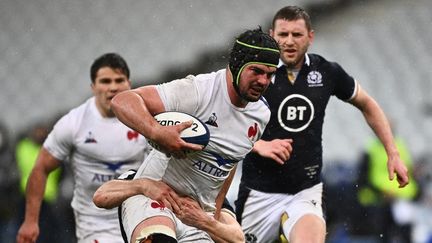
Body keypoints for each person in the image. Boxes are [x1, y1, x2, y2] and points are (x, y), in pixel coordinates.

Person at [235, 6, 410, 243]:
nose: (289, 41)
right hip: (258, 193)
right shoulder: (256, 74)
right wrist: (257, 145)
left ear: (310, 37)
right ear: (271, 35)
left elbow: (368, 104)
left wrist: (393, 152)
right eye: (282, 34)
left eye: (296, 34)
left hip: (305, 192)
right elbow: (225, 120)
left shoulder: (326, 72)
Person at [105, 27, 281, 242]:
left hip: (196, 213)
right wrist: (157, 132)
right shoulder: (198, 91)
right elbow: (122, 101)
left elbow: (230, 160)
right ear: (236, 65)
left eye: (270, 75)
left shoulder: (260, 114)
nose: (264, 81)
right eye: (256, 71)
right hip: (156, 196)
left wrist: (213, 213)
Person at [16, 53, 150, 243]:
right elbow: (41, 168)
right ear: (93, 87)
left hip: (138, 217)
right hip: (95, 225)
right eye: (105, 81)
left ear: (128, 83)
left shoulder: (147, 119)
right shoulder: (74, 123)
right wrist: (30, 222)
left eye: (119, 80)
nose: (112, 87)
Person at [93, 168, 244, 243]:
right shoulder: (138, 176)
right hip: (151, 220)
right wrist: (143, 186)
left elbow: (238, 239)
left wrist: (203, 221)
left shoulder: (206, 194)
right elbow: (100, 197)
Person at [15, 122, 63, 242]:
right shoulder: (23, 147)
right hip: (28, 196)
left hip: (48, 198)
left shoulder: (52, 150)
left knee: (46, 233)